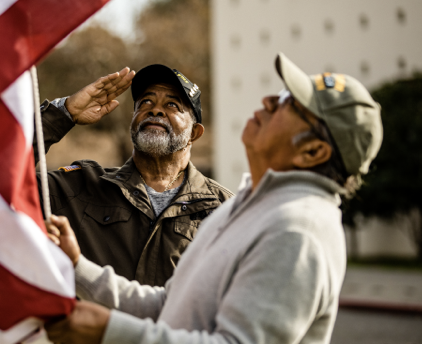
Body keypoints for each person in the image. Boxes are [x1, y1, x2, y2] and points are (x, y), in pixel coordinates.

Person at [44, 52, 383, 344]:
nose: (268, 100)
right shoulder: (247, 209)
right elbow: (170, 306)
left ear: (313, 151)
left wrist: (109, 331)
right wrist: (78, 267)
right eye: (144, 102)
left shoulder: (298, 230)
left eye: (289, 103)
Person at [35, 65, 234, 287]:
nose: (155, 110)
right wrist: (63, 113)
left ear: (194, 134)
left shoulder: (226, 211)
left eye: (172, 104)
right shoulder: (80, 187)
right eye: (145, 102)